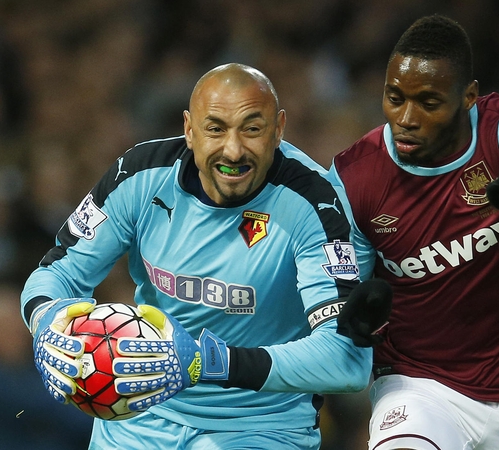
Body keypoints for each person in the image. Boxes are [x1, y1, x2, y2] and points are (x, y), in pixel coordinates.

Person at [21, 63, 391, 450]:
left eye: (252, 128)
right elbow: (58, 271)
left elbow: (344, 362)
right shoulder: (139, 176)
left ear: (279, 128)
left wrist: (208, 362)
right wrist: (48, 319)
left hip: (261, 427)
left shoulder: (315, 206)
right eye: (215, 128)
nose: (233, 150)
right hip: (140, 415)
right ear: (189, 128)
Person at [329, 14, 499, 450]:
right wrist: (351, 318)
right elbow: (343, 292)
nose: (406, 118)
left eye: (428, 102)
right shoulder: (354, 178)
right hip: (418, 386)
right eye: (394, 97)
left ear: (469, 97)